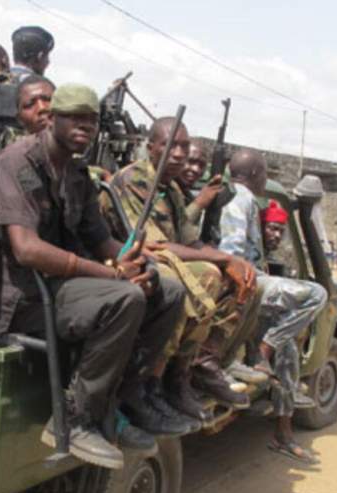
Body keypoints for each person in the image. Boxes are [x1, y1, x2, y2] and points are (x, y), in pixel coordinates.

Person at [0, 84, 187, 469]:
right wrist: (114, 275)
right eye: (75, 118)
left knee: (167, 289)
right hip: (18, 295)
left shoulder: (76, 171)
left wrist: (131, 261)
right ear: (53, 119)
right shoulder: (17, 162)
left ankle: (126, 399)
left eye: (92, 120)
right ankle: (75, 418)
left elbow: (99, 238)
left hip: (57, 286)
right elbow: (26, 249)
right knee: (124, 298)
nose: (85, 127)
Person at [101, 118, 258, 423]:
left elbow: (191, 241)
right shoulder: (134, 179)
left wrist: (233, 262)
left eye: (183, 145)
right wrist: (223, 262)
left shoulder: (169, 188)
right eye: (169, 145)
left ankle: (186, 374)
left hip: (160, 262)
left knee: (239, 278)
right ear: (151, 147)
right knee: (202, 277)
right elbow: (156, 246)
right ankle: (149, 383)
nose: (178, 153)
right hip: (128, 265)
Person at [218, 150, 327, 464]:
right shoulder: (241, 199)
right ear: (254, 173)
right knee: (316, 295)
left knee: (289, 352)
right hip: (246, 289)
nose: (266, 178)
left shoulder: (239, 198)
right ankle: (263, 350)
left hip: (252, 290)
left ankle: (283, 434)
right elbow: (232, 255)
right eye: (264, 172)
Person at [176, 140, 223, 235]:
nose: (196, 169)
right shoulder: (162, 190)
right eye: (191, 161)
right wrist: (200, 203)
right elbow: (173, 231)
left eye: (201, 165)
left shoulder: (187, 196)